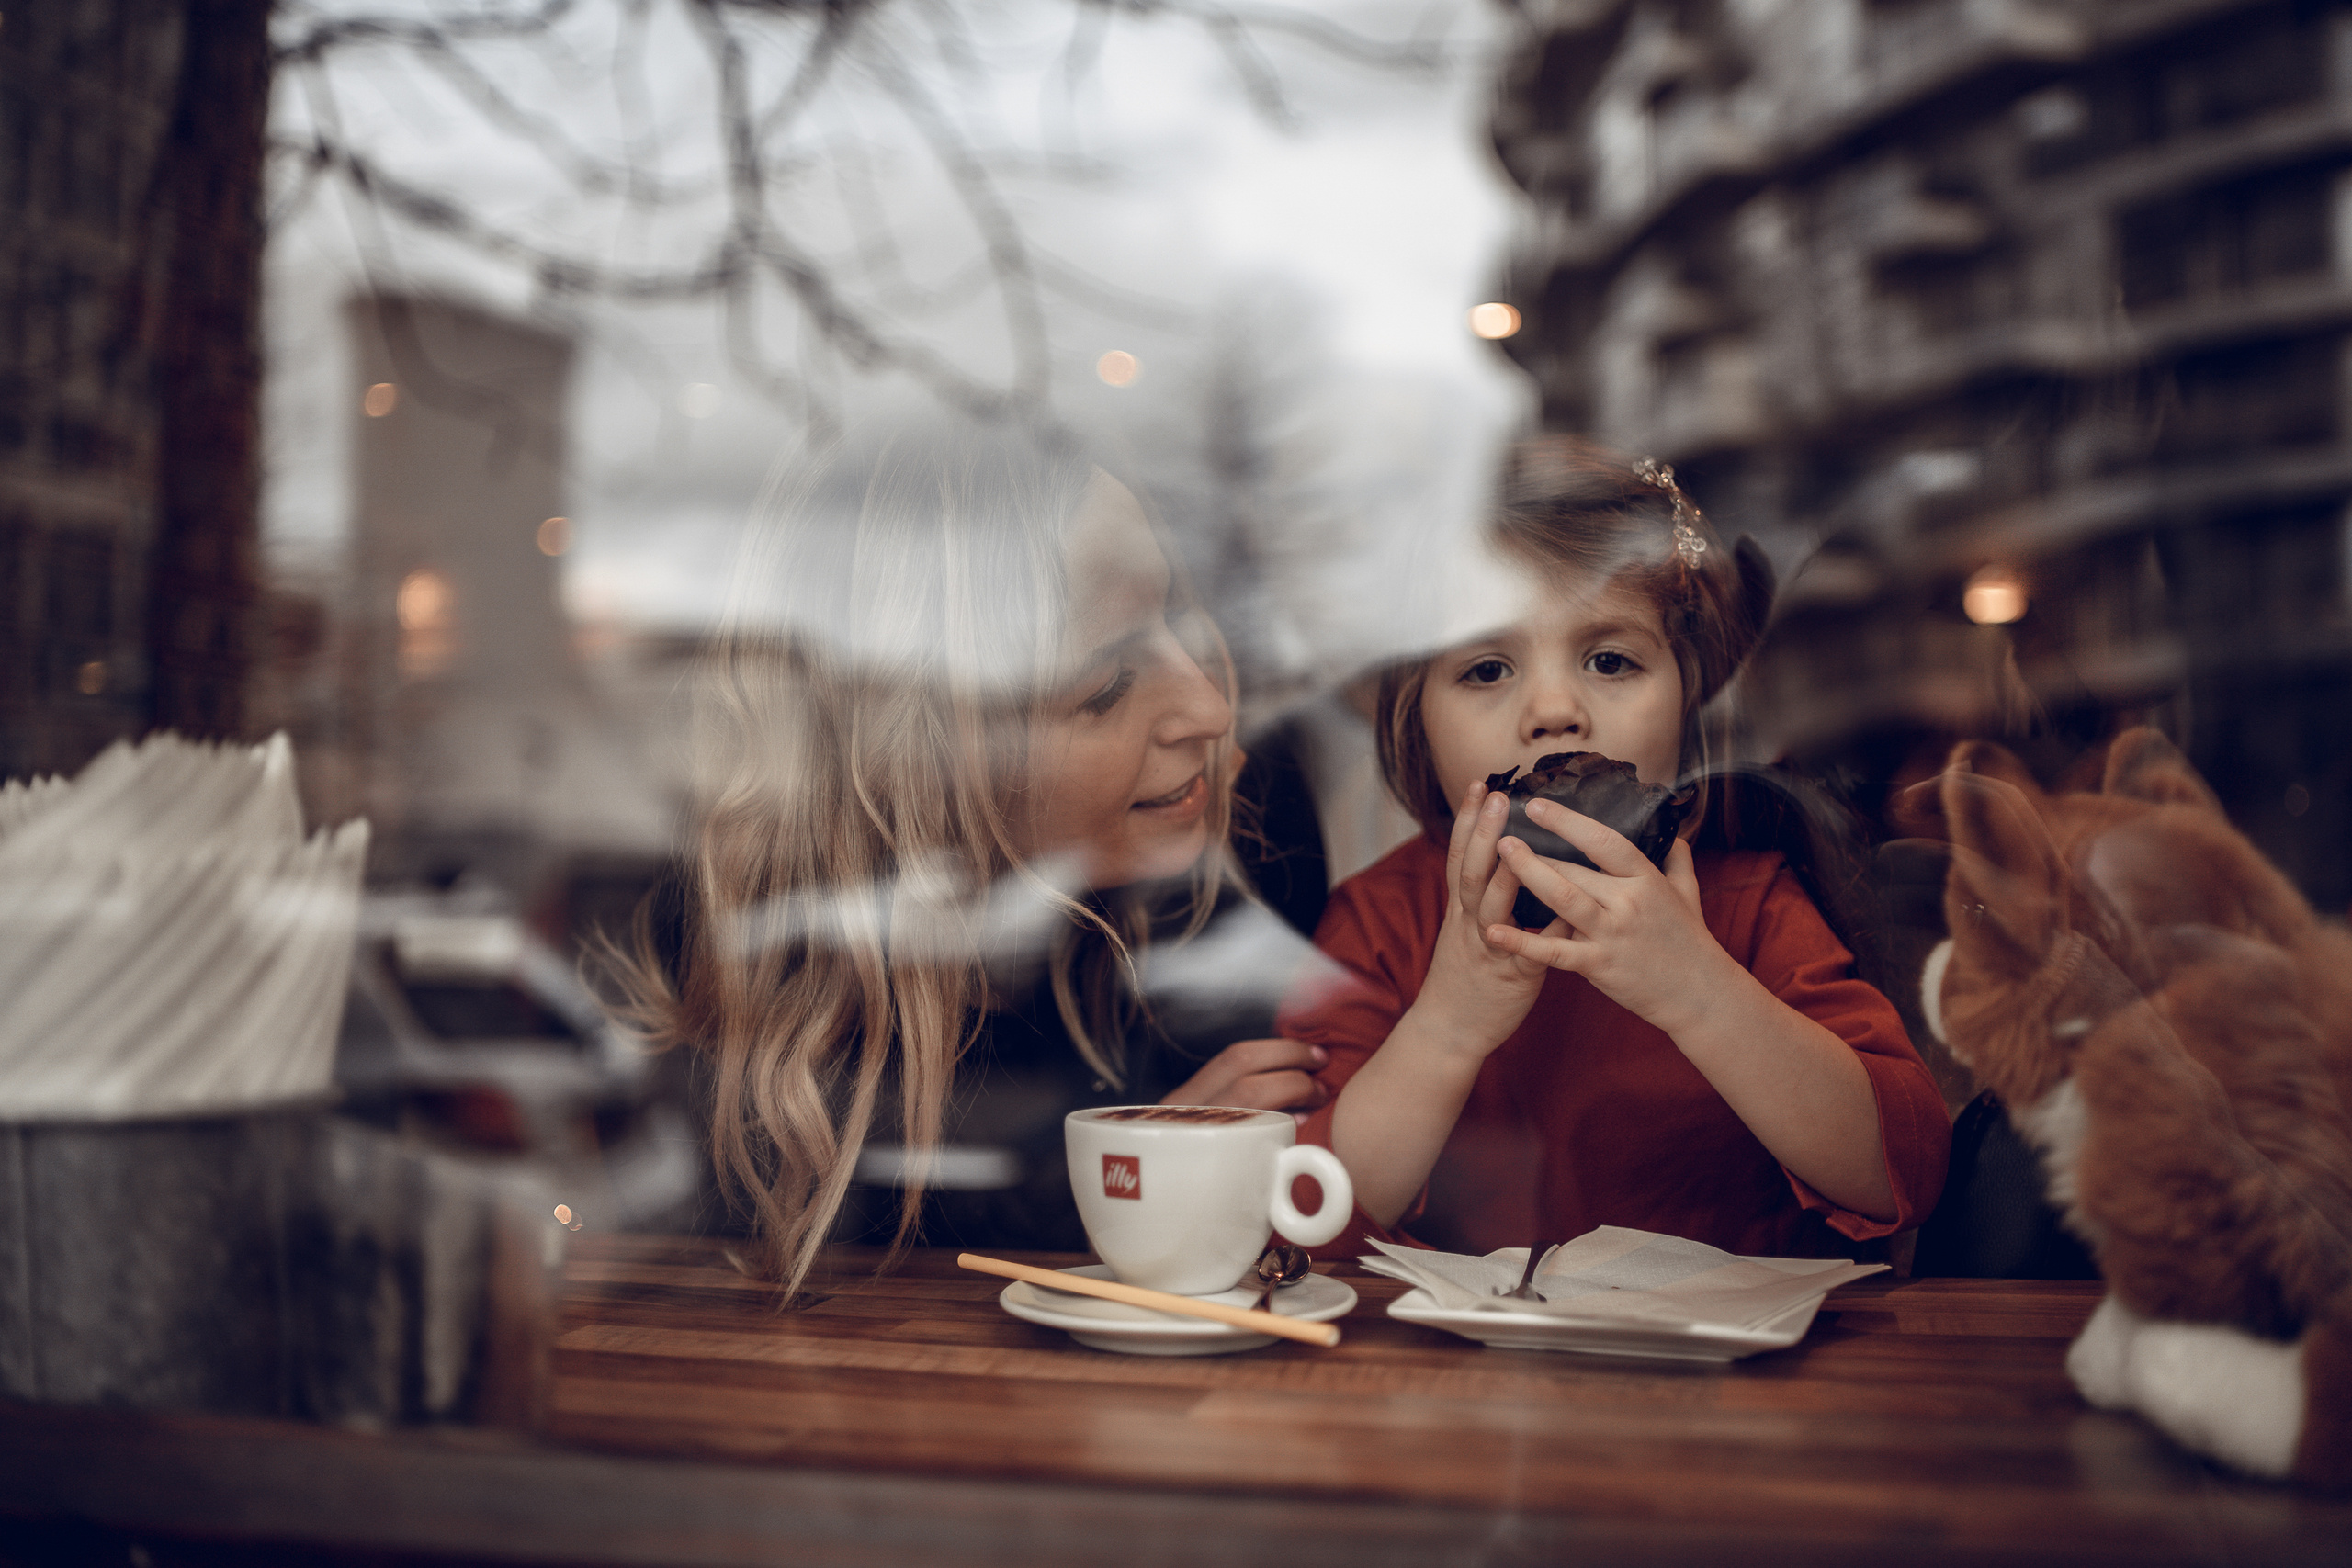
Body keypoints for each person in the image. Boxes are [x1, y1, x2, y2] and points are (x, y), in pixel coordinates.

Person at [624, 434, 1325, 1300]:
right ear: (924, 755)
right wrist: (1140, 1173)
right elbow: (813, 1284)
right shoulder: (750, 970)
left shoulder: (1235, 891)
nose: (1212, 706)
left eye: (1179, 617)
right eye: (1106, 681)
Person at [1281, 437, 1950, 1259]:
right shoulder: (1381, 923)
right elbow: (1303, 1213)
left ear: (1686, 696)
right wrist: (1449, 1024)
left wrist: (1696, 989)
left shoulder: (1744, 904)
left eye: (1610, 659)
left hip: (1724, 1375)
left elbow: (1905, 1172)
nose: (1555, 708)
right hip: (1456, 1378)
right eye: (1488, 668)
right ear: (1413, 720)